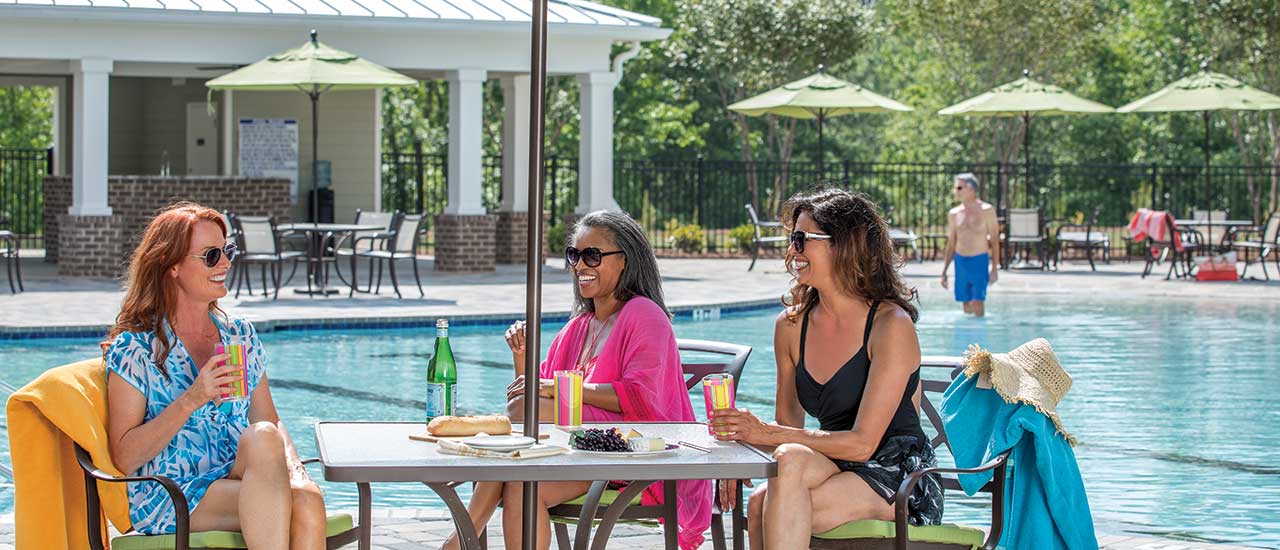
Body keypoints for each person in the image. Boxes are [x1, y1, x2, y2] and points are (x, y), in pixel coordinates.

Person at [441, 210, 712, 550]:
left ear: (624, 261)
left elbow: (641, 398)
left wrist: (557, 389)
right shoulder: (580, 325)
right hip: (580, 449)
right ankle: (460, 540)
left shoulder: (645, 315)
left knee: (520, 447)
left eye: (592, 256)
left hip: (633, 454)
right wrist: (521, 358)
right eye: (574, 255)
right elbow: (528, 403)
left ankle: (458, 541)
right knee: (520, 480)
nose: (580, 266)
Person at [711, 189, 943, 550]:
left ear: (844, 245)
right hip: (833, 464)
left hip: (899, 478)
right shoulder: (790, 326)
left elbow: (863, 444)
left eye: (802, 240)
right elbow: (786, 432)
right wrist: (738, 455)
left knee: (765, 504)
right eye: (792, 239)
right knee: (771, 485)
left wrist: (765, 433)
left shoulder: (889, 325)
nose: (792, 251)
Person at [103, 203, 326, 549]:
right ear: (172, 266)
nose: (225, 264)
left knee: (276, 452)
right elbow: (125, 456)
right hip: (173, 492)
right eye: (211, 256)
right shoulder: (138, 349)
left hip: (237, 472)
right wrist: (193, 397)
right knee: (303, 508)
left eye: (228, 251)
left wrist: (298, 473)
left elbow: (270, 421)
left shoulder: (240, 335)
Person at [941, 173, 1000, 317]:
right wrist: (944, 271)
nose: (956, 191)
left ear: (971, 189)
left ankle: (980, 335)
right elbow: (951, 242)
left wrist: (994, 269)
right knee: (966, 305)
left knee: (978, 302)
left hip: (979, 260)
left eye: (959, 187)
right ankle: (967, 338)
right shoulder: (954, 213)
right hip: (961, 261)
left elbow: (994, 240)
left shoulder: (987, 210)